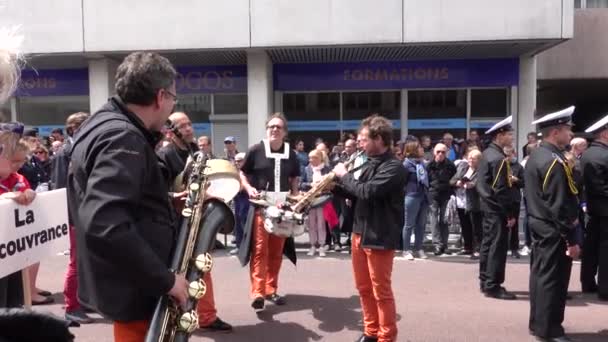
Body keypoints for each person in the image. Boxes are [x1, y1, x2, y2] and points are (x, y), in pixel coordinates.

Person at [66, 52, 189, 342]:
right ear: (160, 96)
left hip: (123, 283)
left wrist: (166, 205)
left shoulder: (101, 123)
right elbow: (105, 222)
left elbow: (110, 201)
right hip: (136, 291)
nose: (172, 106)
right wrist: (167, 280)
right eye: (173, 99)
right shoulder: (124, 138)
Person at [332, 115, 407, 342]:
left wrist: (343, 176)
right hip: (359, 232)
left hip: (380, 235)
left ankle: (387, 337)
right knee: (364, 288)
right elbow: (357, 194)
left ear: (380, 139)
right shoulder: (368, 162)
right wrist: (332, 187)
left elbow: (368, 192)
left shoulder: (394, 167)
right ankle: (371, 331)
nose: (359, 144)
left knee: (381, 291)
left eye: (364, 139)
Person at [157, 112, 232, 332]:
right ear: (171, 131)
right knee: (176, 271)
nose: (190, 128)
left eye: (190, 124)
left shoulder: (194, 152)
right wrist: (173, 197)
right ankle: (175, 317)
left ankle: (207, 316)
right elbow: (156, 191)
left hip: (196, 220)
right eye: (184, 126)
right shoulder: (164, 155)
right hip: (174, 222)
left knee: (201, 267)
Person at [525, 106, 581, 342]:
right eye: (567, 130)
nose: (570, 134)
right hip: (553, 228)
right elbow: (559, 205)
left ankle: (538, 323)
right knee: (554, 280)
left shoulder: (537, 156)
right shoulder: (553, 162)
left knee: (540, 276)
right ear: (555, 132)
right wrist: (570, 237)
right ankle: (550, 329)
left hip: (539, 224)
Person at [237, 113, 300, 313]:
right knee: (260, 250)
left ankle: (270, 288)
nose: (274, 129)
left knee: (276, 252)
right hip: (262, 207)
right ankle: (257, 292)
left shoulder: (291, 153)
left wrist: (296, 195)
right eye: (271, 126)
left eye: (278, 127)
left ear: (284, 132)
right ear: (267, 129)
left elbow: (295, 177)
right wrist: (248, 188)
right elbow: (242, 172)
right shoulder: (256, 150)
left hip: (282, 208)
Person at [49, 112, 92, 324]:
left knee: (84, 261)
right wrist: (69, 219)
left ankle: (80, 300)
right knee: (76, 262)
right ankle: (71, 307)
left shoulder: (79, 149)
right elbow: (60, 188)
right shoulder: (64, 153)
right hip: (73, 217)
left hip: (84, 214)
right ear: (74, 129)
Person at [476, 116, 517, 300]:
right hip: (496, 208)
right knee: (497, 247)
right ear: (499, 136)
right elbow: (501, 189)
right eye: (509, 134)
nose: (511, 137)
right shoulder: (499, 158)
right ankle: (493, 285)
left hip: (487, 207)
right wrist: (509, 213)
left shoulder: (487, 154)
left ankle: (485, 281)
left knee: (487, 245)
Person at [0, 125, 37, 309]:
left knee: (13, 303)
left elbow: (25, 190)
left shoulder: (16, 178)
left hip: (11, 255)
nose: (19, 165)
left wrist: (29, 193)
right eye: (14, 160)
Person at [580, 113, 608, 300]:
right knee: (605, 249)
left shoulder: (588, 153)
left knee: (591, 247)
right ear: (604, 134)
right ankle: (605, 289)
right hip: (605, 209)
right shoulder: (604, 155)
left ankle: (588, 282)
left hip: (593, 208)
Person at [401, 140, 430, 260]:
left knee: (421, 224)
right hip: (412, 196)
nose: (422, 149)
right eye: (419, 148)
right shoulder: (406, 165)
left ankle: (418, 248)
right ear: (413, 150)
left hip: (423, 195)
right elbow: (401, 182)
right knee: (409, 224)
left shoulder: (421, 163)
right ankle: (406, 249)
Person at [427, 143, 457, 256]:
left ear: (447, 153)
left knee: (444, 220)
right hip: (433, 195)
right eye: (438, 151)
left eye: (443, 152)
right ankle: (437, 245)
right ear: (434, 152)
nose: (440, 154)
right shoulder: (429, 165)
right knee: (434, 220)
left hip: (446, 195)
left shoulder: (450, 165)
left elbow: (454, 179)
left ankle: (444, 245)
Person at [301, 149, 330, 257]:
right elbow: (301, 184)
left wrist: (323, 185)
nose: (310, 160)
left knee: (321, 224)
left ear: (320, 158)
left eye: (313, 157)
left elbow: (332, 184)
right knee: (311, 224)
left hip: (322, 199)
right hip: (310, 200)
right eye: (309, 157)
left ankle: (322, 246)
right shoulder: (306, 169)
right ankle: (312, 245)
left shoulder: (326, 169)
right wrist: (311, 185)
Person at [504, 146, 525, 259]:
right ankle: (503, 247)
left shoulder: (518, 167)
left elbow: (524, 182)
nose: (507, 157)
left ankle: (514, 248)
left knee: (515, 224)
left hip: (514, 198)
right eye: (505, 155)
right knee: (503, 223)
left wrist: (516, 180)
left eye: (509, 155)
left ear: (514, 154)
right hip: (502, 198)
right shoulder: (501, 165)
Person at [230, 152, 250, 255]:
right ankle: (239, 246)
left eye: (239, 160)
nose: (237, 163)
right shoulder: (235, 172)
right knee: (238, 223)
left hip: (246, 199)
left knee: (245, 223)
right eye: (236, 160)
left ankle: (246, 247)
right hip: (237, 199)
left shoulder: (249, 172)